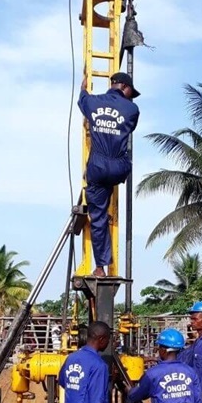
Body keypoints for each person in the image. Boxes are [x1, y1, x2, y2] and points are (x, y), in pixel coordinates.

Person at [78, 72, 140, 277]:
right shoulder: (132, 109)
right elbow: (128, 128)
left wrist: (84, 86)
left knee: (98, 218)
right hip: (119, 167)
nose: (132, 96)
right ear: (124, 87)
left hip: (97, 165)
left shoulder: (93, 102)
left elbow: (82, 99)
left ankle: (100, 267)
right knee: (125, 158)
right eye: (131, 92)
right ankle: (116, 181)